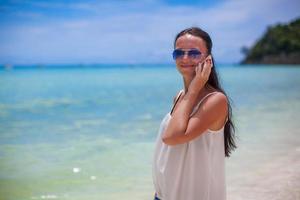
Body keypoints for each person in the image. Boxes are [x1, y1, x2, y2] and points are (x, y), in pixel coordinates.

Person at [152, 27, 237, 200]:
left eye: (193, 53)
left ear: (208, 60)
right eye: (179, 53)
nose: (185, 58)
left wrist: (194, 89)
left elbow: (172, 137)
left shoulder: (215, 100)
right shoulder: (180, 97)